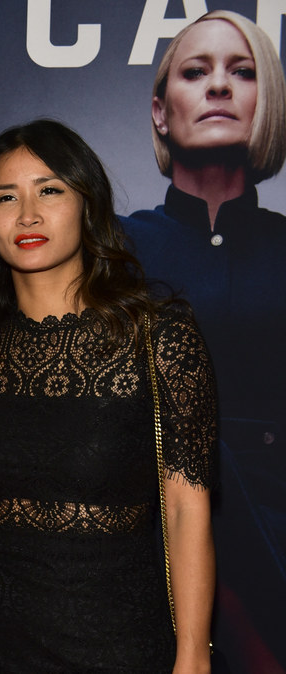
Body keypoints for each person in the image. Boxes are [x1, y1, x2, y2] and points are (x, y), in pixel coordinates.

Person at [0, 120, 216, 672]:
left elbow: (188, 509)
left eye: (49, 190)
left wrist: (192, 653)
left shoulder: (158, 333)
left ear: (87, 205)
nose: (27, 214)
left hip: (119, 643)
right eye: (6, 197)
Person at [120, 11, 286, 668]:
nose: (220, 86)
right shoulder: (114, 247)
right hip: (151, 542)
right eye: (197, 71)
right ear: (161, 112)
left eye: (242, 72)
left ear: (264, 101)